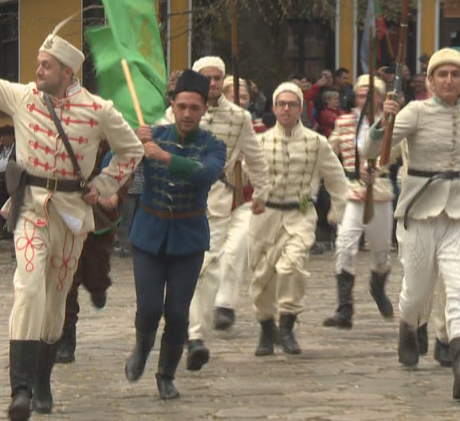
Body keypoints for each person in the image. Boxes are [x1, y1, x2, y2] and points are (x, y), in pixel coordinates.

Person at [0, 0, 143, 421]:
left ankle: (43, 378)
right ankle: (20, 390)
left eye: (46, 65)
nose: (38, 70)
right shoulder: (23, 98)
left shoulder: (99, 110)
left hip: (71, 215)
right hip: (31, 208)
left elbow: (132, 150)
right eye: (38, 63)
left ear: (68, 72)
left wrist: (104, 185)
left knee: (54, 299)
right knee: (28, 287)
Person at [365, 48, 460, 400]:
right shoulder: (414, 111)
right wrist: (384, 122)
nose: (448, 80)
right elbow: (370, 151)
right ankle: (408, 326)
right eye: (442, 74)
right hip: (419, 211)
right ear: (430, 80)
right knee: (417, 290)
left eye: (455, 74)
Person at [124, 69, 226, 400]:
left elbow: (206, 174)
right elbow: (119, 165)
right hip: (149, 234)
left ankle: (166, 374)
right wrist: (134, 146)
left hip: (188, 238)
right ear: (173, 105)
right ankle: (142, 347)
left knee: (179, 313)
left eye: (194, 107)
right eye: (181, 106)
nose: (187, 113)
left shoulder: (213, 145)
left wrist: (165, 157)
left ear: (204, 109)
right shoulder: (153, 135)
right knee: (149, 307)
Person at [175, 56, 270, 373]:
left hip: (218, 199)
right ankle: (185, 324)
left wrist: (262, 192)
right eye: (207, 77)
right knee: (190, 267)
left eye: (217, 77)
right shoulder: (181, 109)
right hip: (181, 199)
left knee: (208, 267)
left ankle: (195, 336)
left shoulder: (239, 117)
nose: (212, 83)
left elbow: (255, 157)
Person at [249, 82, 349, 357]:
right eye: (281, 104)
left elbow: (336, 179)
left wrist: (337, 210)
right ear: (273, 107)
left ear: (300, 109)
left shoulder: (317, 143)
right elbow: (244, 173)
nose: (286, 109)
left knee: (292, 266)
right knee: (262, 277)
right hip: (265, 216)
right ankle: (266, 327)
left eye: (292, 104)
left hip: (301, 212)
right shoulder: (259, 142)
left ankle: (287, 325)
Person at [325, 74, 399, 329]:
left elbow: (395, 153)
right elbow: (329, 153)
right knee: (344, 246)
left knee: (381, 252)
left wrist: (377, 169)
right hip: (352, 191)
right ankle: (344, 309)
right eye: (361, 94)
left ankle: (377, 287)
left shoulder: (391, 123)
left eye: (371, 94)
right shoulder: (344, 122)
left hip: (379, 192)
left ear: (380, 97)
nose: (365, 99)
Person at [56, 141, 123, 364]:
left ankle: (98, 286)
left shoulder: (107, 143)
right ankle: (66, 338)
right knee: (68, 280)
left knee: (95, 272)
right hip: (67, 215)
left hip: (98, 223)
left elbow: (122, 168)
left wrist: (108, 194)